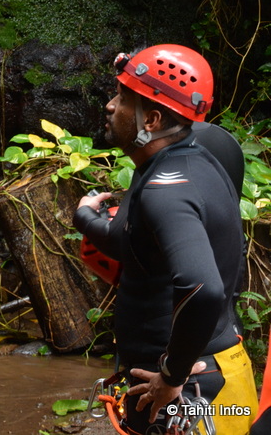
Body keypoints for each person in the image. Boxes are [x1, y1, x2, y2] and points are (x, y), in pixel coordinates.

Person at [73, 44, 257, 434]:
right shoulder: (194, 159)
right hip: (211, 379)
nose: (110, 106)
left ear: (152, 120)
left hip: (194, 393)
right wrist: (88, 220)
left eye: (122, 99)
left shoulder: (165, 191)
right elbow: (133, 244)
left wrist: (171, 376)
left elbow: (202, 290)